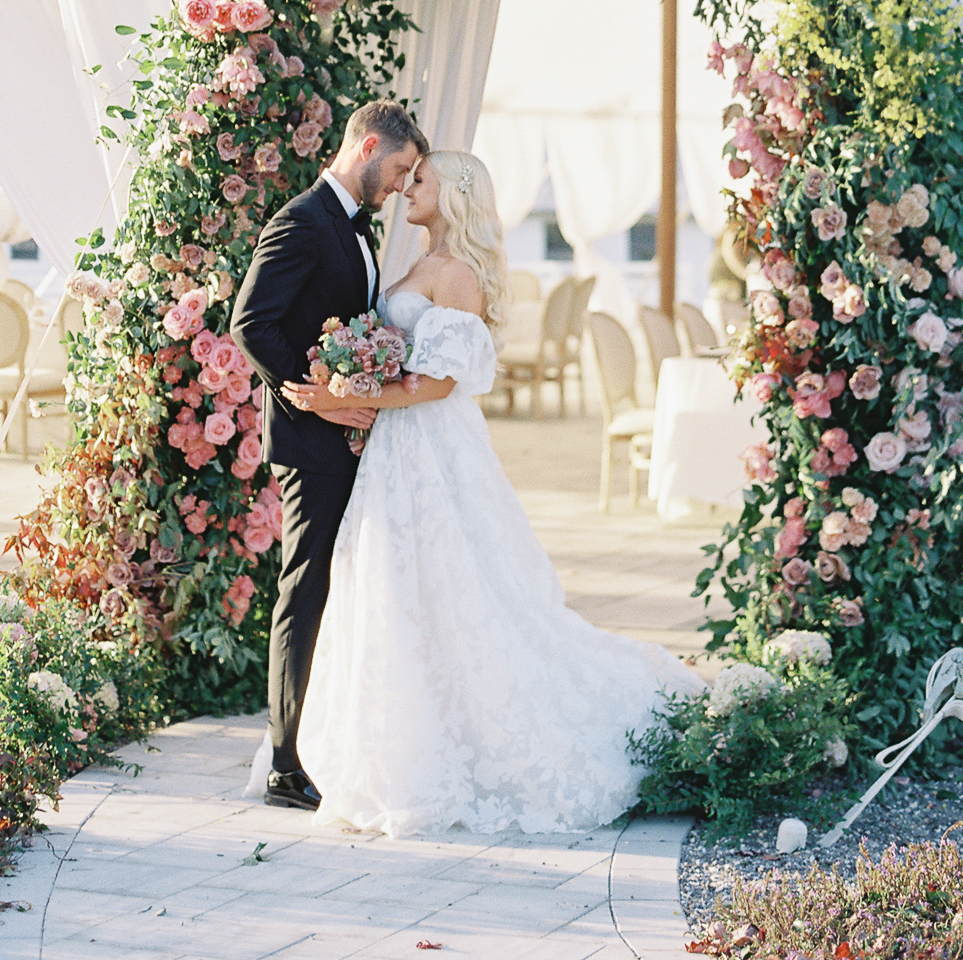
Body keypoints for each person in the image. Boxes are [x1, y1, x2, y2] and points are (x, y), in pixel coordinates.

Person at [281, 148, 704, 836]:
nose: (406, 187)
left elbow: (441, 382)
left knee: (455, 586)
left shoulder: (457, 274)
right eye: (407, 176)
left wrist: (348, 393)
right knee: (402, 588)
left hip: (432, 446)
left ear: (452, 197)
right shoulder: (417, 265)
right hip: (396, 449)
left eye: (421, 180)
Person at [230, 98, 427, 812]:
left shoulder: (355, 227)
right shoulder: (303, 220)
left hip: (345, 435)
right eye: (401, 169)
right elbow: (251, 323)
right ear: (368, 146)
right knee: (304, 589)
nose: (403, 185)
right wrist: (315, 395)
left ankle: (326, 737)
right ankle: (284, 760)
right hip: (311, 440)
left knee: (339, 587)